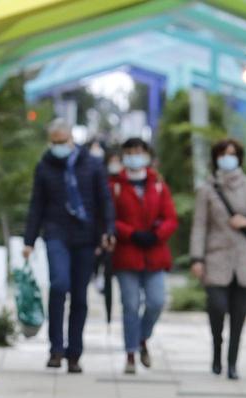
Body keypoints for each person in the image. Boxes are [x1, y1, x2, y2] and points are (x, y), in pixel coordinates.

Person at [23, 119, 115, 373]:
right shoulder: (44, 167)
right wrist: (29, 240)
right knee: (58, 284)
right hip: (56, 233)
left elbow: (104, 200)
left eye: (62, 142)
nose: (58, 147)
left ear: (71, 139)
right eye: (54, 142)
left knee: (79, 295)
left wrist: (108, 230)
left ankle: (74, 353)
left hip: (86, 236)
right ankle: (56, 349)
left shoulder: (93, 165)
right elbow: (36, 205)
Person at [188, 138, 246, 380]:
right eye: (223, 154)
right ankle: (216, 351)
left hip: (244, 258)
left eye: (232, 154)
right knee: (217, 306)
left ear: (239, 158)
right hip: (215, 257)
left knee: (239, 313)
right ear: (216, 158)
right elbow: (199, 225)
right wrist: (196, 258)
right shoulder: (207, 189)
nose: (227, 158)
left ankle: (232, 363)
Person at [110, 138, 178, 375]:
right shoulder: (115, 185)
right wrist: (131, 233)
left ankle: (141, 338)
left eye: (138, 152)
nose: (134, 156)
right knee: (130, 304)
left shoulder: (157, 184)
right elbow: (109, 218)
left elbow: (170, 217)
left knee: (156, 302)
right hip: (127, 253)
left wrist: (156, 234)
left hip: (154, 253)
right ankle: (130, 352)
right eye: (129, 152)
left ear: (147, 155)